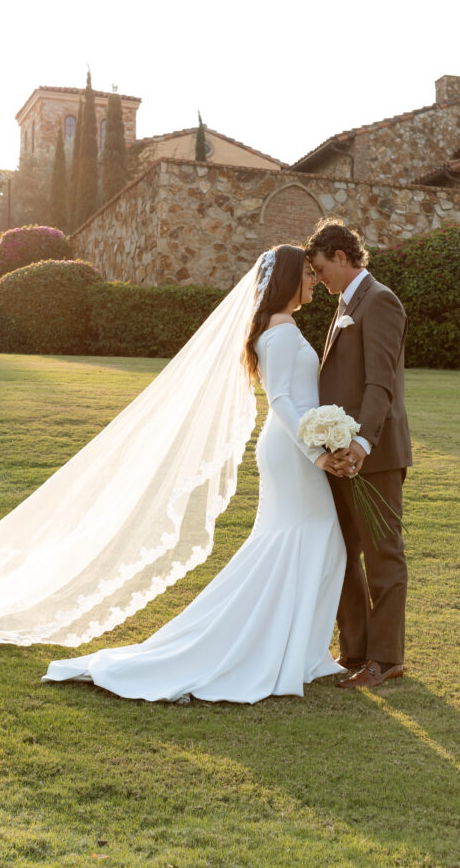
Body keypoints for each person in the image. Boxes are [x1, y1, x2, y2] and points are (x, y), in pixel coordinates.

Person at [44, 245, 347, 702]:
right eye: (306, 274)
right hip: (292, 451)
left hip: (293, 447)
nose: (312, 281)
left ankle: (299, 650)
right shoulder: (282, 333)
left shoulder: (277, 327)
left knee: (304, 540)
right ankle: (283, 650)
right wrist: (317, 453)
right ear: (286, 280)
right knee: (311, 537)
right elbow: (284, 401)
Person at [305, 219, 412, 689]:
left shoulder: (380, 301)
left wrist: (363, 441)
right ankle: (356, 650)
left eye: (321, 267)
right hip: (342, 454)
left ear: (342, 257)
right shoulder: (345, 305)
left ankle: (386, 659)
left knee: (382, 553)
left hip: (376, 454)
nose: (318, 277)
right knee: (343, 549)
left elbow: (379, 382)